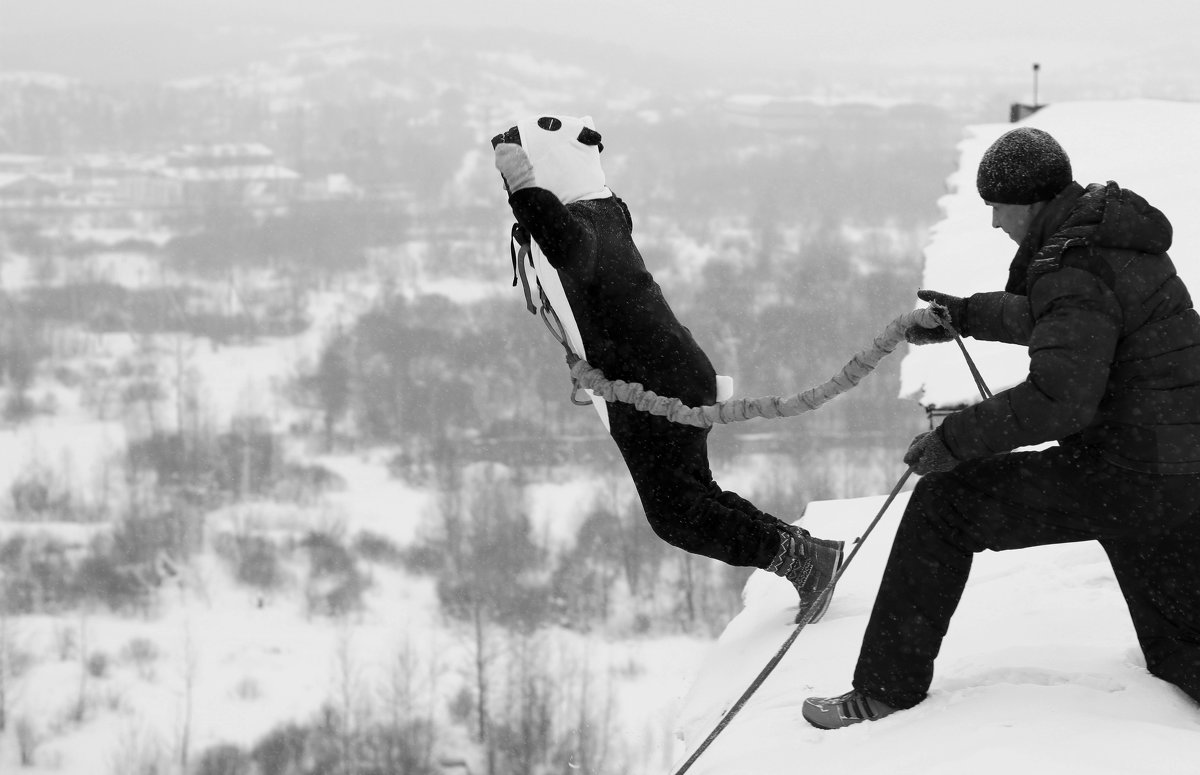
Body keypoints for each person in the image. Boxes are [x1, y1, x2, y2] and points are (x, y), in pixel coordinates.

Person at [803, 126, 1200, 728]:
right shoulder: (1112, 237)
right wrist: (964, 316)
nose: (993, 223)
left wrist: (953, 442)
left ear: (1031, 200)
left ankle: (885, 689)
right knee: (1181, 651)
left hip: (1128, 473)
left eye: (996, 206)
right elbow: (1074, 325)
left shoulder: (1072, 262)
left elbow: (1057, 400)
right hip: (1180, 470)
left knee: (945, 503)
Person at [492, 114, 843, 623]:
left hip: (653, 384)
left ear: (546, 167)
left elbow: (565, 243)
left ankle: (805, 561)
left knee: (677, 514)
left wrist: (525, 188)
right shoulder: (603, 210)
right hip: (661, 373)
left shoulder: (585, 224)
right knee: (693, 494)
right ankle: (805, 552)